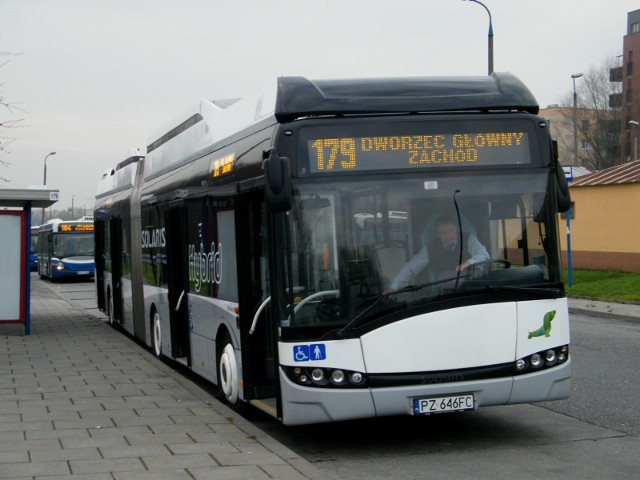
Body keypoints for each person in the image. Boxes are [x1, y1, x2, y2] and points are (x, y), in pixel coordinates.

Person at [383, 216, 489, 294]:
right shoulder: (431, 247)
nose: (447, 235)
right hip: (444, 293)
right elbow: (411, 268)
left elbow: (484, 256)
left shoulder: (469, 239)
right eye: (443, 232)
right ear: (437, 234)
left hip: (473, 290)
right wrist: (393, 288)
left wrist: (468, 263)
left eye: (450, 230)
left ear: (456, 229)